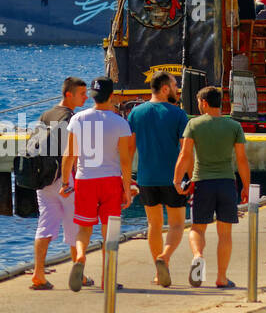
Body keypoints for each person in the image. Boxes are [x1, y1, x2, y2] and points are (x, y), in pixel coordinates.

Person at [60, 77, 133, 293]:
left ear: (92, 95)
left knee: (84, 229)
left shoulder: (78, 119)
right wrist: (127, 188)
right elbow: (126, 159)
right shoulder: (120, 122)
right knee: (109, 231)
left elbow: (69, 155)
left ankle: (81, 256)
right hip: (110, 180)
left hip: (84, 179)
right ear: (112, 96)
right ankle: (107, 278)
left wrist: (65, 181)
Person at [173, 86, 250, 289]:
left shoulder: (194, 125)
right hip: (226, 183)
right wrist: (246, 187)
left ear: (205, 103)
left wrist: (177, 179)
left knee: (198, 227)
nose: (198, 105)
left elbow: (185, 155)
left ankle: (198, 256)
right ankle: (222, 278)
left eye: (199, 102)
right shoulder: (234, 126)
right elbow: (242, 160)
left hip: (202, 183)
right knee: (225, 234)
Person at [128, 71, 189, 288]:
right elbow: (186, 151)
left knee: (154, 224)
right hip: (172, 178)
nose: (177, 89)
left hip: (146, 178)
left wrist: (127, 180)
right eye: (174, 85)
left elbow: (129, 151)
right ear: (165, 89)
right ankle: (165, 256)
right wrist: (188, 177)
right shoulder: (179, 114)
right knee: (177, 224)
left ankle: (158, 271)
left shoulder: (135, 113)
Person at [30, 77, 87, 290]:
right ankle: (78, 274)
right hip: (65, 179)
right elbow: (73, 154)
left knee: (45, 226)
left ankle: (38, 274)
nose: (86, 97)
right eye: (82, 94)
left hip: (44, 180)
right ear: (68, 94)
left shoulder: (46, 115)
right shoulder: (72, 118)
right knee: (75, 226)